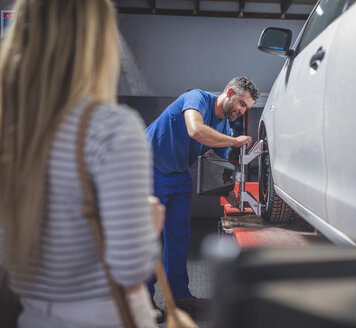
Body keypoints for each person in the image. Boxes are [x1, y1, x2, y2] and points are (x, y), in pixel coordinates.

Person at [0, 0, 163, 327]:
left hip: (30, 314)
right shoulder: (111, 128)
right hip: (102, 315)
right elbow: (130, 268)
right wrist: (149, 221)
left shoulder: (10, 123)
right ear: (96, 39)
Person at [146, 76, 259, 314]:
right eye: (241, 103)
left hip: (177, 175)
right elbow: (195, 130)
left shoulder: (223, 126)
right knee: (149, 238)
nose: (242, 110)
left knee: (179, 236)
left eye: (247, 108)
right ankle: (143, 301)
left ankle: (178, 296)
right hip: (147, 168)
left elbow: (219, 168)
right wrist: (235, 140)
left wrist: (237, 200)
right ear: (229, 93)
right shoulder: (197, 97)